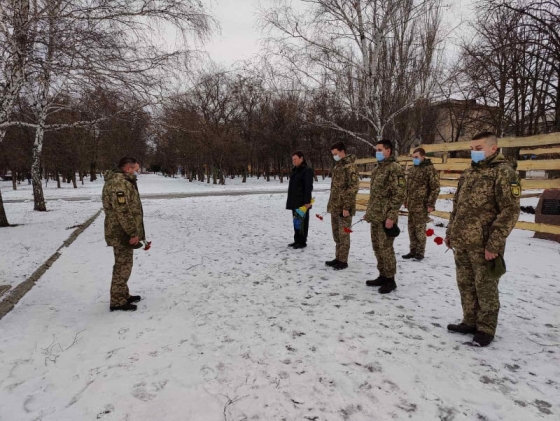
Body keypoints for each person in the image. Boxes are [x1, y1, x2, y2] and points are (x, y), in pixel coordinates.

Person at [445, 132, 520, 347]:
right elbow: (457, 206)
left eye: (478, 148)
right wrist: (451, 232)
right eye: (472, 148)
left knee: (485, 287)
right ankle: (470, 321)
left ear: (493, 148)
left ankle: (486, 328)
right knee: (466, 284)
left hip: (484, 244)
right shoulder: (469, 173)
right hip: (463, 241)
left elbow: (509, 211)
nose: (474, 152)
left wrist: (494, 244)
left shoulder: (505, 173)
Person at [102, 156, 146, 311]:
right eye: (136, 169)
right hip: (121, 232)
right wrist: (133, 233)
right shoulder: (119, 183)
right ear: (128, 168)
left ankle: (123, 294)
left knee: (125, 264)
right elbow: (123, 211)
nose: (137, 172)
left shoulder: (123, 181)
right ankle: (117, 301)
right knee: (122, 266)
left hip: (122, 231)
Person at [364, 139, 406, 294]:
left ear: (388, 151)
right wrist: (368, 213)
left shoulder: (394, 168)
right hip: (375, 216)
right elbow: (375, 196)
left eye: (380, 149)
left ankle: (390, 279)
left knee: (386, 248)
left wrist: (391, 216)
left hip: (386, 217)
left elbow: (399, 194)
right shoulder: (377, 169)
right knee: (377, 247)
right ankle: (382, 275)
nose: (377, 152)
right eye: (377, 150)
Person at [325, 142, 359, 270]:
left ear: (342, 151)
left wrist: (346, 206)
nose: (334, 156)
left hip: (344, 208)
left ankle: (343, 260)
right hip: (335, 206)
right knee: (336, 234)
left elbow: (353, 187)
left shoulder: (350, 167)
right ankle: (338, 257)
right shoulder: (338, 166)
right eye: (333, 154)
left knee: (344, 234)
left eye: (335, 153)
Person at [403, 147, 440, 260]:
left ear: (423, 157)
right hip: (412, 204)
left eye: (416, 157)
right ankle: (412, 250)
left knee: (420, 229)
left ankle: (420, 252)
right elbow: (408, 187)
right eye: (413, 157)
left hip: (422, 204)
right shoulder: (413, 169)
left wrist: (431, 204)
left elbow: (435, 188)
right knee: (411, 229)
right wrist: (406, 200)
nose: (414, 159)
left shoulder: (429, 169)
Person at [286, 151, 314, 249]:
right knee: (296, 221)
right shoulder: (295, 170)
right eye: (293, 159)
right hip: (295, 200)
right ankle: (297, 240)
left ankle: (302, 241)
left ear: (301, 158)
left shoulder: (306, 170)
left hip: (302, 201)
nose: (294, 161)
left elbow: (308, 187)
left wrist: (307, 202)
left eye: (295, 159)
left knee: (302, 222)